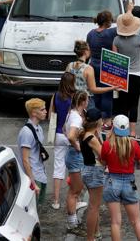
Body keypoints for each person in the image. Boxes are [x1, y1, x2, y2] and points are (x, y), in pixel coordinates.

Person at [101, 115, 140, 241]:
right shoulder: (134, 145)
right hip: (129, 183)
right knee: (136, 221)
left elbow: (103, 162)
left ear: (114, 128)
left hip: (112, 182)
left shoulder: (107, 145)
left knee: (115, 222)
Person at [64, 91, 90, 235]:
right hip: (75, 156)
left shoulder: (72, 113)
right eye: (87, 99)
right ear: (83, 102)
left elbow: (63, 128)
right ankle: (72, 223)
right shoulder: (76, 118)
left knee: (75, 188)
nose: (89, 102)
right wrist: (78, 146)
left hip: (73, 155)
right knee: (75, 190)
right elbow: (71, 135)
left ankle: (73, 218)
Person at [50, 72, 76, 211]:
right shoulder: (74, 97)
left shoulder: (55, 96)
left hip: (58, 134)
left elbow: (51, 116)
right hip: (71, 134)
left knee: (58, 168)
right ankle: (74, 198)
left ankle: (56, 200)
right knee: (74, 167)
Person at [86, 10, 117, 126]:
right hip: (106, 66)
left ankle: (98, 117)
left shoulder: (90, 33)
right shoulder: (110, 33)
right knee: (107, 93)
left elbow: (88, 49)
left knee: (96, 92)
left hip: (93, 65)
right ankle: (107, 120)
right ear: (107, 22)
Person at [80, 108, 106, 241]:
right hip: (94, 172)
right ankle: (90, 237)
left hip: (87, 169)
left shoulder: (86, 133)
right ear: (98, 121)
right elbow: (104, 155)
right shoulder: (92, 138)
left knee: (93, 204)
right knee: (94, 207)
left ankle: (96, 233)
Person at [17, 98, 48, 205]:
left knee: (39, 208)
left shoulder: (38, 128)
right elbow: (25, 160)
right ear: (34, 113)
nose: (46, 111)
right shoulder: (27, 132)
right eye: (42, 109)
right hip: (34, 177)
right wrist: (33, 183)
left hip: (40, 174)